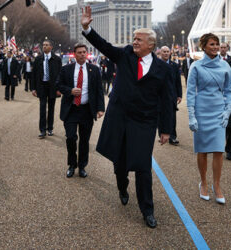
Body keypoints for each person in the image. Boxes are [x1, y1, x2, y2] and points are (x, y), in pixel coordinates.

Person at [81, 6, 173, 228]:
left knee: (142, 167)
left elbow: (167, 100)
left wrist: (166, 129)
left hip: (144, 122)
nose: (135, 42)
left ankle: (147, 210)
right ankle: (122, 187)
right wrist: (87, 28)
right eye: (134, 38)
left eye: (139, 39)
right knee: (120, 162)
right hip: (119, 118)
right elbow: (104, 45)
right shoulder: (124, 55)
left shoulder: (163, 69)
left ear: (151, 45)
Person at [187, 33, 231, 204]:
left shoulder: (225, 66)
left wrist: (227, 110)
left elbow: (230, 90)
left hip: (218, 112)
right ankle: (204, 183)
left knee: (218, 150)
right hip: (201, 111)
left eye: (217, 44)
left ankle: (217, 185)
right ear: (204, 46)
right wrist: (191, 116)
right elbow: (191, 92)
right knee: (202, 150)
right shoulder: (196, 66)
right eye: (212, 44)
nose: (215, 47)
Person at [56, 43, 105, 178]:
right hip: (71, 109)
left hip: (86, 110)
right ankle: (72, 164)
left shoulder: (94, 70)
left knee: (84, 140)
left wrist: (100, 108)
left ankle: (82, 166)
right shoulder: (66, 69)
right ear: (74, 54)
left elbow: (99, 90)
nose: (83, 54)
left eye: (84, 52)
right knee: (71, 138)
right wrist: (70, 91)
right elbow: (58, 84)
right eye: (79, 52)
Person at [31, 40, 62, 138]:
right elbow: (34, 74)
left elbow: (60, 74)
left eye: (46, 45)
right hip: (42, 86)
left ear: (51, 47)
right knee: (42, 108)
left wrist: (59, 88)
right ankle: (42, 130)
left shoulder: (57, 59)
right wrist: (33, 88)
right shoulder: (38, 59)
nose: (44, 46)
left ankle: (50, 128)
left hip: (53, 87)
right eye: (43, 45)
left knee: (51, 108)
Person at [160, 46, 182, 145]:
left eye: (167, 51)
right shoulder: (156, 64)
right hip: (158, 96)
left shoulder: (174, 65)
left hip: (171, 95)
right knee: (159, 116)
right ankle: (161, 134)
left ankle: (172, 137)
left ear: (170, 53)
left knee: (172, 117)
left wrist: (179, 95)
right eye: (164, 51)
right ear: (160, 53)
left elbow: (178, 82)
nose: (165, 53)